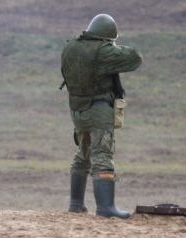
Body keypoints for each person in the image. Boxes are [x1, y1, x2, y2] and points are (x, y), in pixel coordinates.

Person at [60, 13, 143, 218]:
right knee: (102, 155)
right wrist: (113, 47)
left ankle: (75, 203)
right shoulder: (102, 51)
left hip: (78, 110)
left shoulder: (71, 47)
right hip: (98, 109)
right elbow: (134, 58)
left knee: (83, 153)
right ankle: (106, 208)